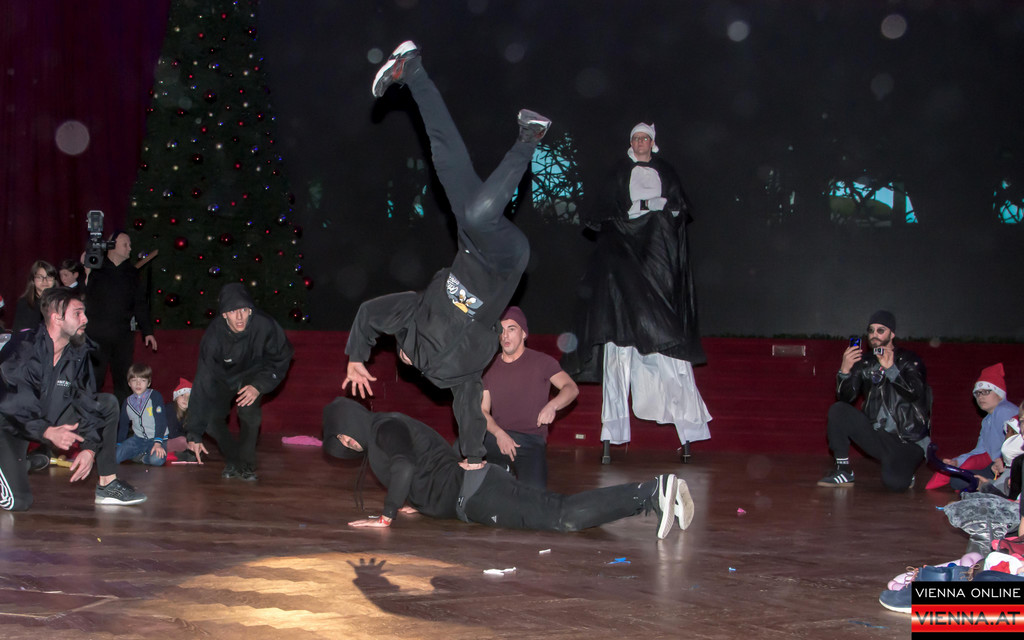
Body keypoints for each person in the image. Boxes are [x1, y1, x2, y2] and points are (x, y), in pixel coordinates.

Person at [342, 41, 551, 469]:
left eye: (402, 352)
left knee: (445, 157)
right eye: (404, 356)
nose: (404, 356)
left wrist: (357, 356)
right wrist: (472, 454)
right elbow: (469, 406)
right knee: (477, 213)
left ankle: (412, 70)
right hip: (505, 263)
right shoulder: (455, 375)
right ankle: (530, 137)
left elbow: (369, 313)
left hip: (473, 242)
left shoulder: (413, 315)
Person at [322, 397, 694, 539]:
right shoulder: (384, 432)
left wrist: (387, 514)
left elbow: (404, 466)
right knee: (557, 511)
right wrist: (417, 502)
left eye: (345, 436)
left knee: (561, 516)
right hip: (474, 491)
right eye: (343, 444)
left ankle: (653, 492)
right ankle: (661, 497)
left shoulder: (384, 428)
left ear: (351, 422)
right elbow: (424, 462)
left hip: (478, 492)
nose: (349, 444)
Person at [562, 123, 710, 464]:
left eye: (645, 138)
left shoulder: (666, 171)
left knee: (668, 351)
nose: (640, 142)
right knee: (619, 352)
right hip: (624, 257)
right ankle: (612, 434)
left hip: (656, 259)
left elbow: (678, 212)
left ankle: (688, 431)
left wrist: (660, 211)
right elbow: (606, 213)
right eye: (635, 138)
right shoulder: (618, 172)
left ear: (652, 143)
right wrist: (637, 213)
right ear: (631, 143)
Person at [0, 287, 147, 510]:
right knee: (17, 502)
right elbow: (15, 403)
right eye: (77, 313)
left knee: (106, 404)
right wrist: (47, 431)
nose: (85, 319)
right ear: (56, 318)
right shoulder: (24, 347)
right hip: (8, 423)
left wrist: (89, 449)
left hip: (42, 418)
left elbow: (87, 403)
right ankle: (20, 463)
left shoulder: (77, 352)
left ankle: (107, 484)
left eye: (84, 313)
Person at [185, 283, 293, 480]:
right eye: (233, 312)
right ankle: (235, 460)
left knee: (248, 410)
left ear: (250, 310)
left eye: (244, 310)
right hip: (224, 376)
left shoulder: (264, 325)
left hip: (255, 373)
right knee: (211, 419)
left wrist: (259, 385)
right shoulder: (213, 337)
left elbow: (281, 358)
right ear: (224, 315)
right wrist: (194, 432)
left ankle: (246, 465)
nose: (240, 317)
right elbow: (203, 381)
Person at [818, 310, 932, 491]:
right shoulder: (865, 362)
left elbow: (915, 394)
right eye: (871, 330)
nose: (874, 335)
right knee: (838, 410)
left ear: (892, 334)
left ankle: (903, 468)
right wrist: (844, 371)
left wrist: (891, 369)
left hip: (907, 439)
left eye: (880, 330)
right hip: (878, 435)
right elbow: (845, 398)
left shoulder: (909, 360)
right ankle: (844, 470)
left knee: (894, 484)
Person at [481, 306, 578, 488]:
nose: (505, 335)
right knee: (464, 444)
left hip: (530, 440)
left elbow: (571, 388)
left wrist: (552, 405)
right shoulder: (489, 367)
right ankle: (499, 468)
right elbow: (483, 411)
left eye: (511, 329)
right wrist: (499, 434)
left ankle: (505, 471)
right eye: (501, 330)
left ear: (524, 333)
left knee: (533, 496)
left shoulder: (542, 362)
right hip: (498, 437)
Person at [85, 232, 157, 406]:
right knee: (93, 380)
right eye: (126, 244)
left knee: (124, 381)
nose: (130, 248)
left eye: (129, 245)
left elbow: (140, 304)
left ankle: (123, 418)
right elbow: (82, 297)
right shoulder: (96, 269)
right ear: (112, 245)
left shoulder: (132, 273)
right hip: (96, 336)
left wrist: (148, 331)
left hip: (122, 337)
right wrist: (86, 273)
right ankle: (89, 417)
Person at [927, 363, 1019, 491]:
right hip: (997, 466)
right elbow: (980, 450)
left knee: (960, 480)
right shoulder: (987, 420)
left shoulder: (1004, 410)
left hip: (1012, 468)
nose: (980, 397)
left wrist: (1003, 460)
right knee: (959, 479)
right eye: (977, 393)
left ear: (999, 394)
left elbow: (1015, 444)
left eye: (986, 392)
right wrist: (957, 462)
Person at [115, 363, 169, 466]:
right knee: (116, 456)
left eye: (143, 380)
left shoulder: (155, 396)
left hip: (156, 439)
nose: (138, 384)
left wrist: (158, 443)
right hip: (138, 439)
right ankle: (139, 454)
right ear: (129, 383)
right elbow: (123, 425)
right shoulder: (127, 402)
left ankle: (143, 458)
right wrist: (119, 445)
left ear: (149, 383)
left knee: (157, 460)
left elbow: (161, 421)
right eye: (134, 380)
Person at [13, 260, 58, 331]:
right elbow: (19, 331)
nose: (45, 281)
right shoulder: (24, 303)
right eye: (40, 277)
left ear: (54, 280)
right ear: (33, 280)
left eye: (49, 277)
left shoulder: (61, 301)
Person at [164, 378, 192, 455]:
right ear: (176, 397)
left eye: (189, 397)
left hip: (173, 440)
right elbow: (171, 433)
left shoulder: (189, 413)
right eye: (182, 395)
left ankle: (182, 452)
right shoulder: (170, 408)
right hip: (159, 440)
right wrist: (187, 441)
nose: (185, 399)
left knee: (193, 443)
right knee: (182, 441)